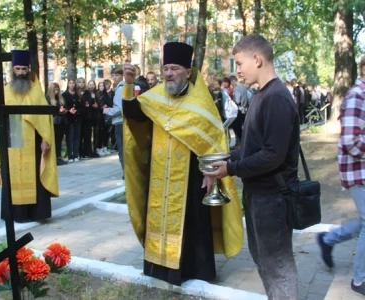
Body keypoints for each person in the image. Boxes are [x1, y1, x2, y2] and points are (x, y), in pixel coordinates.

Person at [121, 42, 243, 286]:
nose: (168, 74)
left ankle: (193, 270)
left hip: (191, 176)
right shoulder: (155, 97)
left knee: (193, 224)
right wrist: (128, 83)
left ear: (188, 72)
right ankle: (158, 267)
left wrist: (211, 172)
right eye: (166, 68)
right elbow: (133, 114)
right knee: (158, 215)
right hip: (159, 173)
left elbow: (214, 138)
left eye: (174, 68)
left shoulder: (201, 102)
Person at [204, 34, 300, 299]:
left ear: (256, 59)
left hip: (274, 198)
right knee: (264, 262)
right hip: (259, 195)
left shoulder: (277, 97)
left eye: (239, 63)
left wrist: (231, 169)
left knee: (277, 266)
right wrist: (225, 157)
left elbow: (272, 156)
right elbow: (252, 147)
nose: (237, 71)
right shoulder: (261, 95)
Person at [0, 50, 59, 223]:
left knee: (34, 175)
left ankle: (37, 213)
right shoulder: (5, 91)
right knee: (12, 176)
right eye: (18, 69)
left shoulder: (36, 91)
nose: (20, 72)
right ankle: (14, 214)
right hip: (12, 139)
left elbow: (44, 117)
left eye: (23, 69)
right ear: (12, 70)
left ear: (28, 69)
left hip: (32, 141)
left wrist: (45, 140)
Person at [316, 56, 365, 297]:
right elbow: (351, 143)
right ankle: (359, 280)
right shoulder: (357, 95)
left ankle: (328, 239)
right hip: (359, 170)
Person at [103, 68, 124, 172]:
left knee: (122, 150)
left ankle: (126, 173)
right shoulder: (123, 88)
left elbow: (119, 108)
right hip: (122, 121)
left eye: (117, 75)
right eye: (113, 75)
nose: (114, 78)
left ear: (122, 75)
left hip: (120, 122)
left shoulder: (120, 89)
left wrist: (107, 111)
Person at [46, 82, 68, 166]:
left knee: (60, 140)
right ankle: (54, 158)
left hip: (62, 121)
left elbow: (65, 106)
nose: (56, 91)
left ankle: (59, 157)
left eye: (57, 89)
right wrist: (58, 111)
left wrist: (65, 110)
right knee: (55, 140)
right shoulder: (48, 98)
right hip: (54, 121)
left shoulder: (60, 98)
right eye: (54, 89)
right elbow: (49, 111)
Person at [62, 79, 82, 163]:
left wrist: (77, 111)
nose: (72, 85)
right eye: (70, 83)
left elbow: (82, 106)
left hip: (77, 118)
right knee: (69, 137)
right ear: (68, 84)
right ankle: (70, 155)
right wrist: (68, 110)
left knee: (76, 136)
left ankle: (76, 154)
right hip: (68, 118)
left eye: (73, 83)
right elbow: (63, 106)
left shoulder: (78, 95)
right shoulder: (64, 95)